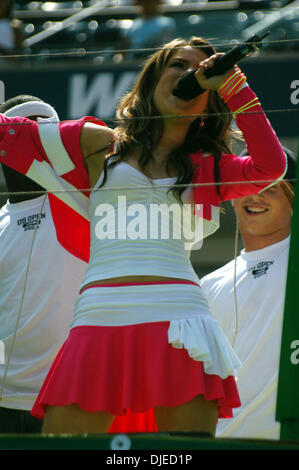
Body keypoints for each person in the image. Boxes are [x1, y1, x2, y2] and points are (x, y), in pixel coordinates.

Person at [0, 36, 287, 434]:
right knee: (62, 443)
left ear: (209, 99)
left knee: (179, 454)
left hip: (181, 320)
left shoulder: (207, 168)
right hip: (98, 315)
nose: (190, 75)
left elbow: (269, 167)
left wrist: (233, 85)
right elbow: (6, 132)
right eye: (178, 66)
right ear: (151, 82)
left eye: (200, 71)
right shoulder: (96, 144)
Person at [0, 95, 87, 433]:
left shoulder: (84, 207)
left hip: (69, 403)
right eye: (23, 132)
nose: (34, 142)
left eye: (43, 133)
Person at [200, 146, 296, 439]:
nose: (257, 195)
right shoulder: (208, 285)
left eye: (272, 188)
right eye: (250, 184)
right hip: (225, 441)